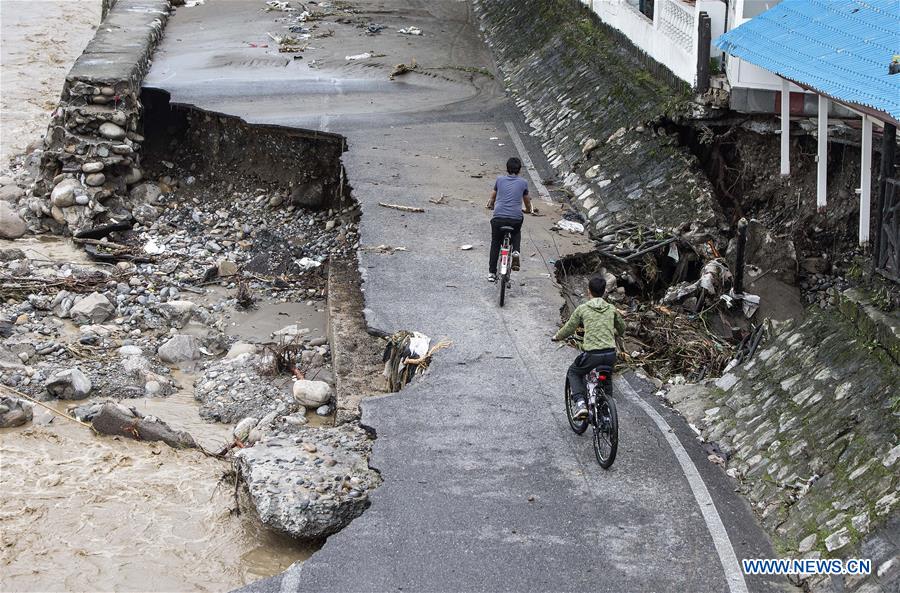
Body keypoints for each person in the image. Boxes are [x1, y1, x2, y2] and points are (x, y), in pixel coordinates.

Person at [551, 275, 625, 420]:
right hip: (610, 354)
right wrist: (614, 331)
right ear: (604, 291)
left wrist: (557, 336)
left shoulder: (583, 308)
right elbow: (622, 328)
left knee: (573, 372)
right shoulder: (611, 308)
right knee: (606, 378)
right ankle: (606, 414)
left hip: (592, 355)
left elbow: (569, 327)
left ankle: (580, 404)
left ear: (588, 291)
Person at [486, 157, 533, 282]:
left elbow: (492, 197)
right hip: (515, 218)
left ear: (507, 168)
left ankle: (491, 273)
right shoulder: (523, 182)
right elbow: (527, 202)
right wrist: (528, 210)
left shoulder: (500, 180)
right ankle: (516, 251)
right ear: (519, 170)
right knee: (516, 231)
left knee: (496, 242)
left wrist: (491, 205)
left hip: (498, 218)